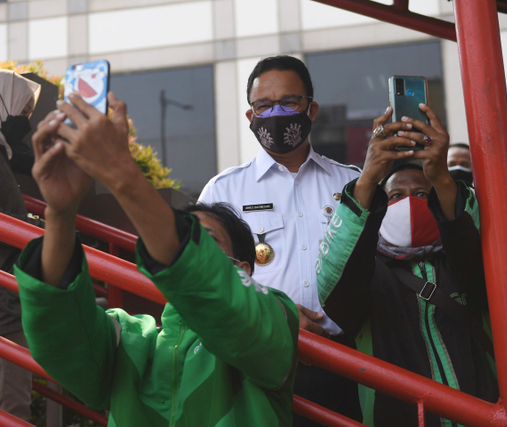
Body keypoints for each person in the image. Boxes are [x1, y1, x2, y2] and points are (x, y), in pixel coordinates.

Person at [16, 93, 299, 426]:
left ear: (244, 268)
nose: (174, 249)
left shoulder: (276, 319)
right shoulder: (128, 337)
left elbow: (221, 298)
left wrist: (122, 173)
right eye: (173, 239)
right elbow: (58, 332)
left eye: (205, 242)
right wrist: (61, 212)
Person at [198, 55, 362, 425]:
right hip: (261, 361)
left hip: (347, 362)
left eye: (289, 102)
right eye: (263, 105)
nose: (276, 113)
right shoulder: (223, 191)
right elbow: (208, 279)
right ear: (250, 117)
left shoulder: (352, 183)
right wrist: (280, 316)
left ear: (311, 109)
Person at [316, 104, 498, 426]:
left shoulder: (459, 257)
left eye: (421, 193)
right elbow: (334, 291)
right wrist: (368, 178)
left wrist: (442, 177)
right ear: (381, 207)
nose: (410, 202)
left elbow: (486, 274)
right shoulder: (367, 271)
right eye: (397, 195)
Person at [0, 69, 41, 422]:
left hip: (10, 296)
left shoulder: (5, 153)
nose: (24, 121)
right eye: (21, 111)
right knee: (14, 405)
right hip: (6, 303)